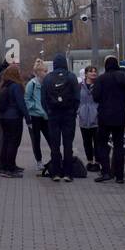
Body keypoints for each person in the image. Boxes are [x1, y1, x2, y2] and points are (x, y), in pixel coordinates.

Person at [92, 54, 125, 183]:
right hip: (119, 116)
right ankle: (119, 176)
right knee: (119, 145)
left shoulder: (101, 79)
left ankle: (106, 172)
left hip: (104, 117)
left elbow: (96, 97)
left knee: (102, 144)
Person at [40, 53, 80, 182]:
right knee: (68, 144)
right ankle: (68, 174)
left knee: (55, 145)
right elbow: (77, 98)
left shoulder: (47, 78)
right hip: (68, 115)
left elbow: (43, 99)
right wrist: (73, 111)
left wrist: (49, 111)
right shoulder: (72, 77)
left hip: (53, 116)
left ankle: (56, 173)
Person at [0, 63, 28, 176]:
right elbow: (21, 104)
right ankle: (10, 169)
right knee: (13, 143)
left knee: (6, 142)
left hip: (3, 118)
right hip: (14, 118)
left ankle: (5, 166)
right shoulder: (16, 86)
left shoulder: (4, 85)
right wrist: (28, 118)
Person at [24, 59, 53, 173]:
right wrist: (35, 107)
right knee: (36, 140)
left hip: (46, 117)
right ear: (38, 72)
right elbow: (26, 99)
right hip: (35, 116)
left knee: (51, 138)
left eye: (46, 71)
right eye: (44, 71)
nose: (46, 73)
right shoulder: (32, 84)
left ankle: (55, 159)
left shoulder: (48, 84)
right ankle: (39, 162)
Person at [78, 65, 100, 171]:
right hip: (83, 119)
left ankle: (97, 162)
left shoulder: (99, 85)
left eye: (95, 71)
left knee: (97, 142)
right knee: (86, 142)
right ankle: (89, 161)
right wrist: (79, 111)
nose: (93, 73)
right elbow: (77, 100)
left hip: (96, 119)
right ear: (86, 74)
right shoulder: (79, 86)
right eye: (91, 71)